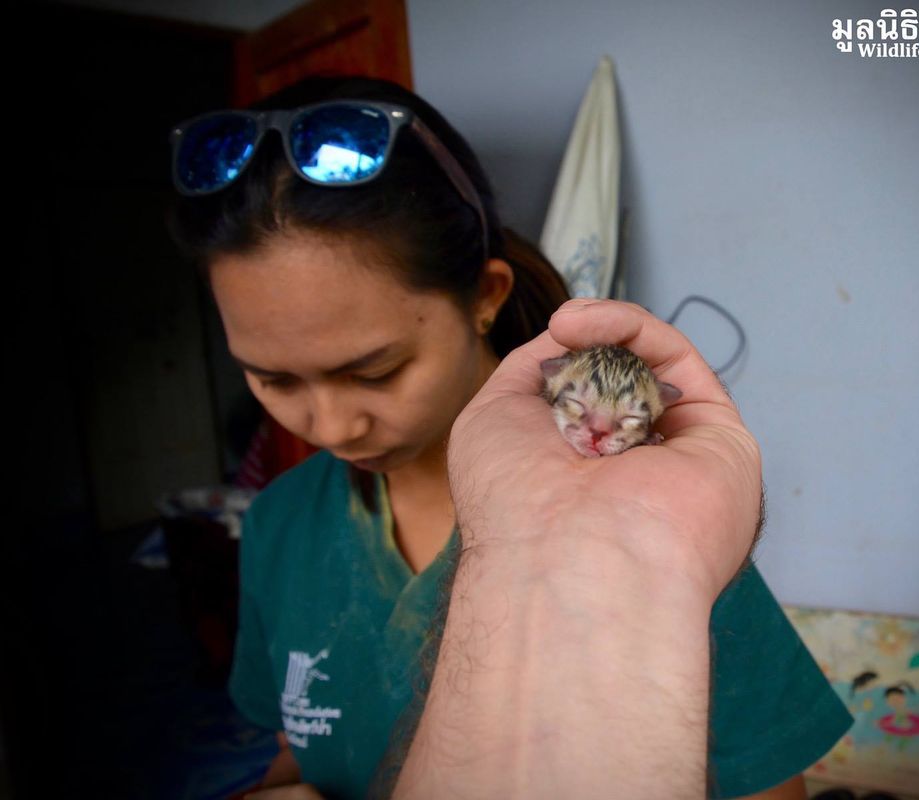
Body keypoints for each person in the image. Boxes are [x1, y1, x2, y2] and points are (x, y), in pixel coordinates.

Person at [165, 75, 852, 800]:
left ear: (485, 298)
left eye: (377, 370)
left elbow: (768, 784)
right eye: (272, 380)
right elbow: (302, 757)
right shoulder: (278, 525)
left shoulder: (652, 518)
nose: (331, 428)